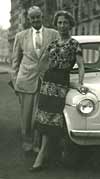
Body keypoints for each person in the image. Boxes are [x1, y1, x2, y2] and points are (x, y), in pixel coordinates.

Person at [29, 10, 85, 172]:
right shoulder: (52, 44)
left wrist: (79, 83)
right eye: (59, 22)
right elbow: (42, 64)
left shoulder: (74, 44)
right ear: (56, 24)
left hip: (61, 83)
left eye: (65, 22)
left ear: (70, 25)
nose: (62, 25)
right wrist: (41, 77)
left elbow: (81, 66)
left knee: (54, 119)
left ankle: (43, 155)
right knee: (44, 118)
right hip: (48, 83)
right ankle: (45, 153)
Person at [11, 6, 60, 154]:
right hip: (26, 81)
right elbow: (15, 61)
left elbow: (57, 56)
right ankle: (27, 142)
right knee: (26, 116)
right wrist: (15, 82)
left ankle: (38, 144)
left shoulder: (53, 34)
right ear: (29, 19)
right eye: (32, 18)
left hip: (46, 80)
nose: (36, 20)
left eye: (38, 16)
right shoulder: (21, 36)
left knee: (41, 116)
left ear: (42, 16)